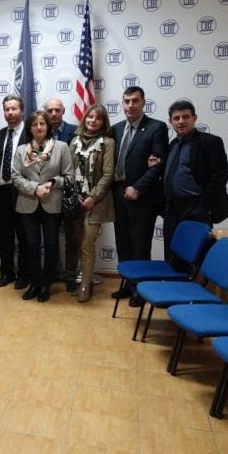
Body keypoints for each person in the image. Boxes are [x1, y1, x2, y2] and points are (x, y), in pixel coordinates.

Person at [111, 86, 168, 306]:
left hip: (142, 199)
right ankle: (128, 284)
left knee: (140, 245)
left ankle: (141, 290)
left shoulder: (156, 128)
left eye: (135, 101)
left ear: (143, 103)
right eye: (126, 101)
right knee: (123, 243)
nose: (130, 105)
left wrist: (138, 188)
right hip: (118, 195)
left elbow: (158, 164)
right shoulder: (116, 129)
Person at [162, 99, 228, 260]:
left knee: (197, 256)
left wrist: (204, 204)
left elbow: (221, 174)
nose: (181, 121)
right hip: (172, 208)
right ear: (170, 122)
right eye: (176, 118)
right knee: (171, 254)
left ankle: (194, 278)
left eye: (185, 117)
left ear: (194, 118)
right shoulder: (172, 145)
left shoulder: (210, 142)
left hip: (197, 207)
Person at [13, 110, 73, 302]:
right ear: (30, 128)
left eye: (42, 124)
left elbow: (69, 177)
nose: (39, 127)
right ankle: (35, 283)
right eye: (34, 124)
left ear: (48, 126)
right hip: (27, 204)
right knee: (30, 245)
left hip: (51, 203)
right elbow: (15, 177)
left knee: (51, 245)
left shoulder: (61, 147)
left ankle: (46, 283)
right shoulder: (22, 150)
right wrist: (35, 188)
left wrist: (52, 182)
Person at [69, 104, 115, 302]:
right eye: (90, 117)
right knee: (79, 243)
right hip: (77, 201)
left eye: (98, 118)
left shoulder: (108, 143)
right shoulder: (74, 141)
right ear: (84, 119)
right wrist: (76, 194)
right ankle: (81, 277)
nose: (93, 121)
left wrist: (93, 197)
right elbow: (69, 171)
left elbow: (108, 174)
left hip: (97, 202)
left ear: (103, 122)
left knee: (87, 243)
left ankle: (85, 285)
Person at [0, 94, 29, 288]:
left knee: (24, 236)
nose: (10, 112)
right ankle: (7, 272)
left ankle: (23, 274)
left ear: (22, 110)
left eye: (14, 108)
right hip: (2, 193)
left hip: (23, 193)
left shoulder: (30, 134)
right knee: (4, 236)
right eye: (7, 109)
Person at [45, 97, 80, 291]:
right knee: (50, 239)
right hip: (47, 194)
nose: (53, 114)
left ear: (63, 111)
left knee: (71, 239)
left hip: (68, 194)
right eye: (49, 110)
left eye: (57, 110)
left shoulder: (75, 131)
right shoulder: (40, 132)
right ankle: (52, 273)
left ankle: (70, 276)